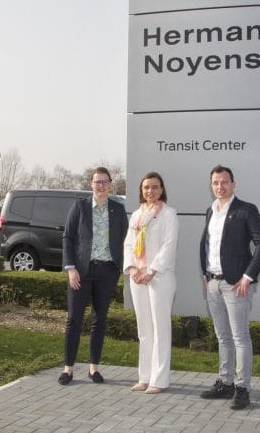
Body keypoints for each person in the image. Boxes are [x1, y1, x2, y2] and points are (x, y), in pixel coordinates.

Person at [199, 165, 260, 410]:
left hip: (235, 285)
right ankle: (225, 383)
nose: (220, 186)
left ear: (233, 184)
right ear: (211, 185)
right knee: (223, 337)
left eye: (224, 182)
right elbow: (208, 245)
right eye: (215, 182)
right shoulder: (211, 211)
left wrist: (248, 276)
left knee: (240, 338)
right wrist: (205, 273)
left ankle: (242, 388)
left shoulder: (245, 210)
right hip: (213, 283)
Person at [58, 166, 129, 385]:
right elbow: (68, 238)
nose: (101, 185)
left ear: (110, 184)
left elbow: (126, 239)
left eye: (105, 181)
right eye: (97, 181)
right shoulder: (79, 207)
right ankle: (68, 369)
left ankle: (93, 368)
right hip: (81, 272)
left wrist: (120, 268)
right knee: (74, 320)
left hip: (107, 272)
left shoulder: (118, 209)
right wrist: (70, 268)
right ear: (91, 183)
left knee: (99, 321)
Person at [123, 171, 178, 394]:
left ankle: (159, 379)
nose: (150, 191)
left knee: (160, 329)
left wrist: (152, 270)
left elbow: (169, 245)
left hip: (160, 277)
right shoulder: (137, 215)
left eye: (154, 187)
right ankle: (144, 377)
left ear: (161, 189)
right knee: (144, 330)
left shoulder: (169, 214)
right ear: (141, 190)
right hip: (138, 276)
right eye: (146, 187)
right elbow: (129, 244)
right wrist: (133, 269)